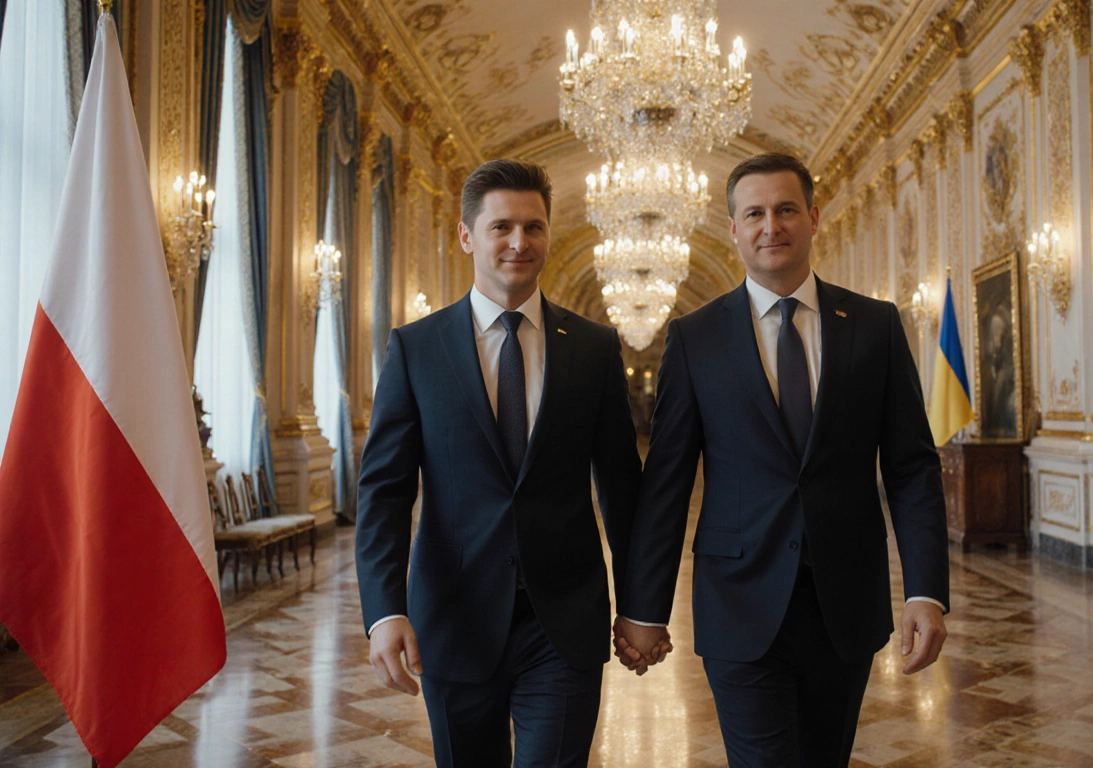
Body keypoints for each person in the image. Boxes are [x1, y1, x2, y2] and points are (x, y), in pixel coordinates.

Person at [614, 153, 950, 767]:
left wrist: (926, 591)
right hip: (738, 603)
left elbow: (910, 466)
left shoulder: (874, 325)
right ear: (735, 229)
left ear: (814, 217)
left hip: (845, 604)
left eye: (786, 209)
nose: (772, 226)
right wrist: (643, 607)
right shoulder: (696, 338)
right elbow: (666, 482)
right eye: (755, 214)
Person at [355, 159, 642, 767]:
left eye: (534, 227)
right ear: (467, 236)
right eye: (502, 227)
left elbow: (621, 488)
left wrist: (640, 606)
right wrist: (384, 611)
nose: (520, 242)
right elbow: (384, 491)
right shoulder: (416, 348)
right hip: (453, 620)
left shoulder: (594, 348)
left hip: (563, 623)